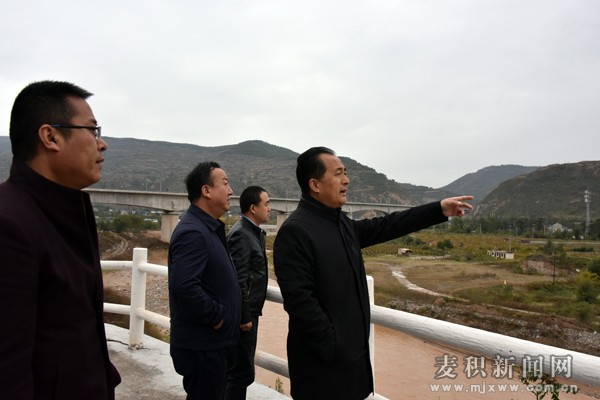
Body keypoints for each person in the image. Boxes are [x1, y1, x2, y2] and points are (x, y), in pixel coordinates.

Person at [273, 146, 473, 400]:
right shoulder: (296, 231)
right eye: (338, 173)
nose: (346, 180)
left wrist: (438, 210)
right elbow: (300, 303)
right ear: (315, 184)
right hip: (323, 373)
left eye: (345, 173)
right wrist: (336, 347)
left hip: (352, 368)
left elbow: (388, 225)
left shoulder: (341, 224)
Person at [0, 80, 121, 399]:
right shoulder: (9, 224)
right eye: (92, 130)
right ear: (50, 136)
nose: (102, 144)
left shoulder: (67, 211)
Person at [168, 161, 242, 400]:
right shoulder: (194, 232)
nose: (231, 190)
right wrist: (217, 317)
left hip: (212, 344)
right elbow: (184, 286)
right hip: (204, 346)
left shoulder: (206, 228)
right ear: (206, 190)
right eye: (225, 183)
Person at [225, 186, 271, 400]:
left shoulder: (252, 231)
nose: (270, 209)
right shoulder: (242, 234)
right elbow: (238, 279)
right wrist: (244, 317)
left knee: (240, 370)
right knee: (240, 372)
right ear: (253, 208)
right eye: (266, 204)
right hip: (245, 316)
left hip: (249, 312)